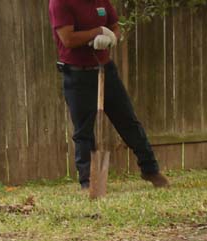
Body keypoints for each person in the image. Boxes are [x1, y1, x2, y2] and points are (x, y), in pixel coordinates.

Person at [48, 0, 169, 190]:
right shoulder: (60, 2)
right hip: (77, 74)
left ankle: (150, 170)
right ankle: (89, 183)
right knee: (84, 132)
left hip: (105, 70)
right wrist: (98, 32)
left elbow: (114, 26)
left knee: (128, 121)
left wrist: (112, 37)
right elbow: (68, 39)